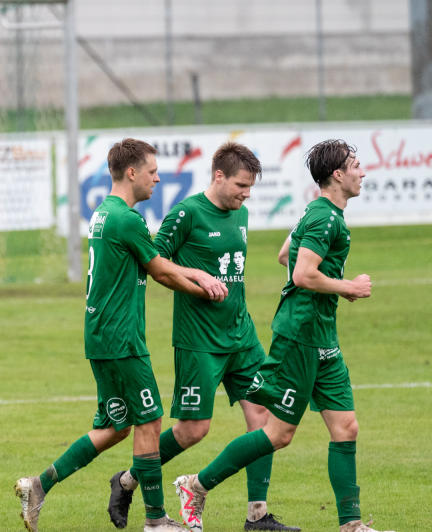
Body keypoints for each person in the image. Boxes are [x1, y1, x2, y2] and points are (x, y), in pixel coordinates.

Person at [171, 140, 387, 532]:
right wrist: (348, 287)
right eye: (356, 165)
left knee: (346, 427)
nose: (362, 172)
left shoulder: (318, 211)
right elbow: (302, 273)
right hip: (299, 336)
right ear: (338, 174)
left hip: (322, 335)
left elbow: (286, 253)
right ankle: (196, 486)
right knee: (278, 433)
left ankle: (351, 525)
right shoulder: (325, 218)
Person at [14, 138, 228, 532]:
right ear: (131, 172)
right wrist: (205, 286)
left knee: (116, 426)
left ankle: (39, 485)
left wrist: (196, 276)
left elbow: (157, 264)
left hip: (101, 336)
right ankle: (156, 520)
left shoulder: (104, 213)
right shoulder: (127, 219)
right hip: (121, 338)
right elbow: (160, 270)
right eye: (152, 172)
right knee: (150, 421)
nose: (157, 179)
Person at [107, 143, 300, 532]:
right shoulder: (187, 213)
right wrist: (197, 278)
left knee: (263, 418)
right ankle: (127, 479)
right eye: (241, 185)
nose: (246, 194)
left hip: (241, 336)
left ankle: (257, 514)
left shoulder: (241, 212)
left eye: (250, 187)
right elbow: (156, 263)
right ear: (218, 176)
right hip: (199, 341)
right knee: (193, 430)